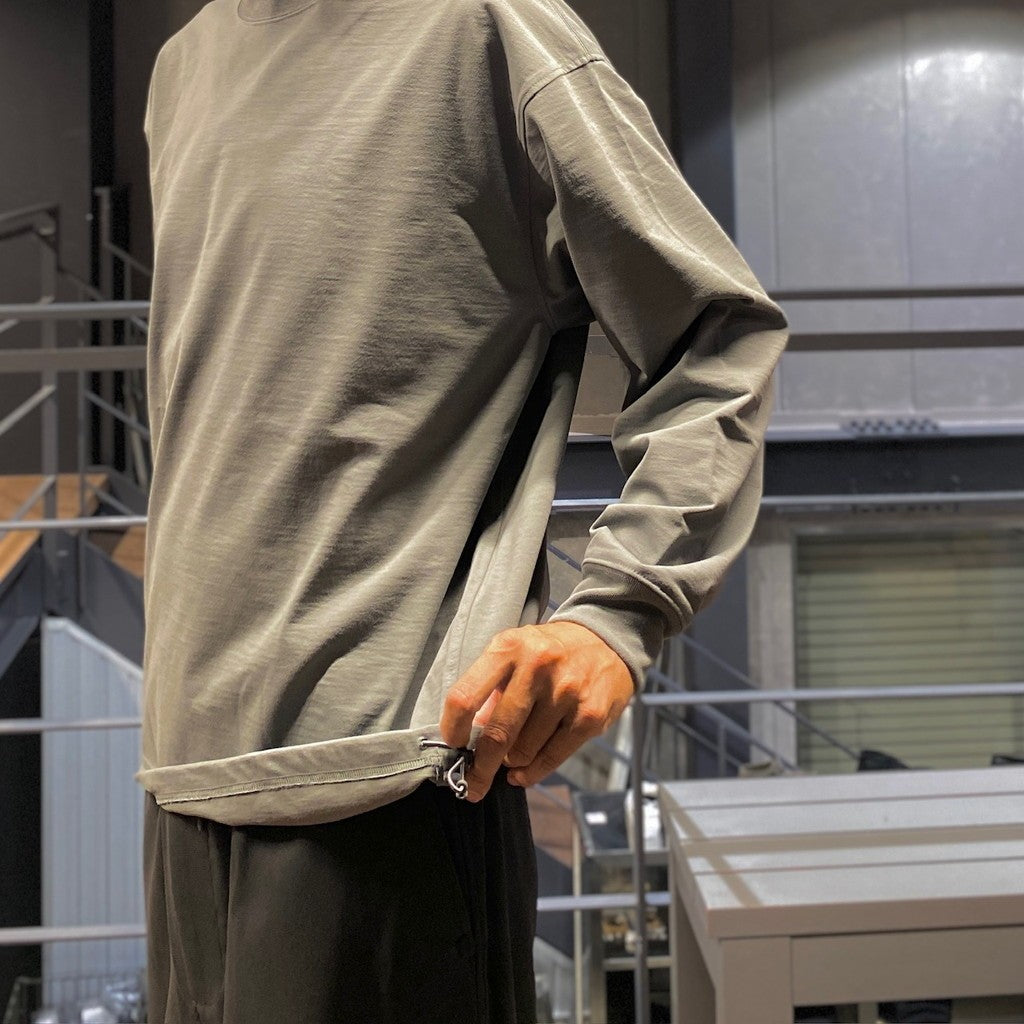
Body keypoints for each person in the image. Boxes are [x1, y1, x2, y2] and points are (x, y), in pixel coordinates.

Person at [137, 0, 789, 1021]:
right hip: (181, 780)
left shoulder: (483, 28)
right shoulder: (183, 66)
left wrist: (616, 615)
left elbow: (717, 337)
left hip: (383, 782)